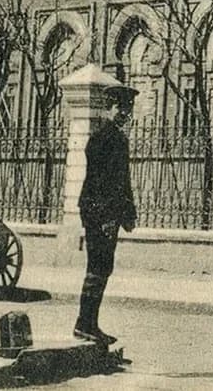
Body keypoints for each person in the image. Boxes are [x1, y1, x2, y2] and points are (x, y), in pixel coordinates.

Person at [74, 82, 138, 344]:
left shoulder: (113, 137)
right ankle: (85, 324)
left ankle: (88, 323)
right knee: (98, 267)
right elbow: (102, 182)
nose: (124, 113)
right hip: (100, 213)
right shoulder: (105, 139)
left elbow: (123, 181)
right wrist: (109, 217)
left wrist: (127, 212)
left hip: (102, 212)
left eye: (127, 109)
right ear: (109, 108)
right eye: (119, 108)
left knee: (102, 267)